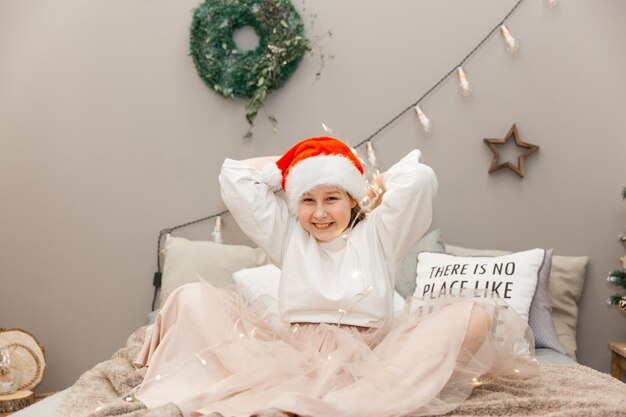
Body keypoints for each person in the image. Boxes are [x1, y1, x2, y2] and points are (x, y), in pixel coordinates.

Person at [133, 136, 537, 417]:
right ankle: (300, 400)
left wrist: (374, 185)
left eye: (332, 198)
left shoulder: (379, 233)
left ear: (351, 199)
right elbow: (234, 177)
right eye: (308, 200)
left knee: (473, 314)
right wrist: (287, 172)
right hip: (293, 354)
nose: (320, 213)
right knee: (192, 297)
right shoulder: (289, 235)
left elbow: (420, 179)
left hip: (372, 357)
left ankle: (350, 403)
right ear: (295, 205)